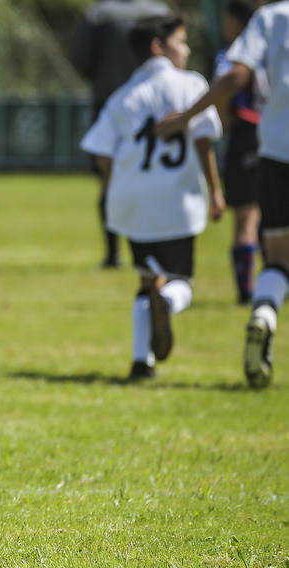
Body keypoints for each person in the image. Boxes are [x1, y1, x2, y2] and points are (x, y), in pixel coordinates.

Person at [81, 14, 224, 381]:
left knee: (146, 281)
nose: (187, 49)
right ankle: (170, 303)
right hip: (177, 202)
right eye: (181, 41)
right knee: (182, 282)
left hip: (133, 203)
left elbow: (100, 152)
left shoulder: (123, 96)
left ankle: (140, 362)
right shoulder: (190, 84)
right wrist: (215, 190)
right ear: (159, 47)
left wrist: (118, 185)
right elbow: (204, 140)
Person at [158, 1, 289, 389]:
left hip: (278, 148)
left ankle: (264, 312)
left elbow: (234, 78)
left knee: (279, 256)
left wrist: (185, 117)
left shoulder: (271, 17)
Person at [71, 0, 171, 269]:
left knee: (108, 177)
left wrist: (105, 78)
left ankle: (113, 253)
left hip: (110, 100)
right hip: (157, 104)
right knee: (155, 175)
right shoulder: (160, 12)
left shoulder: (98, 15)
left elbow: (81, 59)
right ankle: (156, 250)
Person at [214, 0, 267, 305]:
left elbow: (226, 88)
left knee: (246, 216)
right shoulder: (275, 50)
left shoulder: (234, 55)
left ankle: (246, 291)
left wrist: (221, 121)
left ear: (237, 21)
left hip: (247, 134)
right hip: (277, 135)